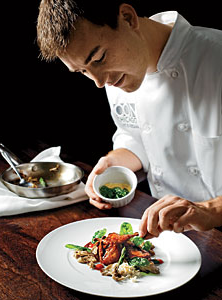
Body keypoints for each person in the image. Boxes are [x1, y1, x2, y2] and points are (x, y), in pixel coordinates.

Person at [37, 0, 222, 237]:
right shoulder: (118, 74)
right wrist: (114, 163)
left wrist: (210, 210)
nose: (99, 81)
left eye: (99, 58)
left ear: (127, 18)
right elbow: (139, 137)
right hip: (167, 233)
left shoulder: (217, 57)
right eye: (83, 71)